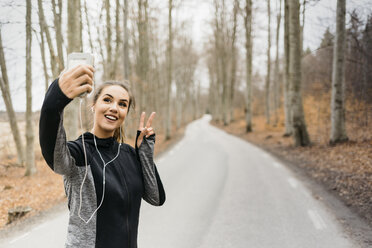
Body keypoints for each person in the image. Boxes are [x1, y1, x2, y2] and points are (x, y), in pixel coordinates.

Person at [39, 64, 166, 248]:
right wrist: (56, 96)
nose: (114, 108)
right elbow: (54, 156)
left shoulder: (129, 154)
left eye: (122, 104)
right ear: (94, 105)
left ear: (125, 113)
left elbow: (156, 198)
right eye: (107, 100)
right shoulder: (78, 153)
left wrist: (144, 151)